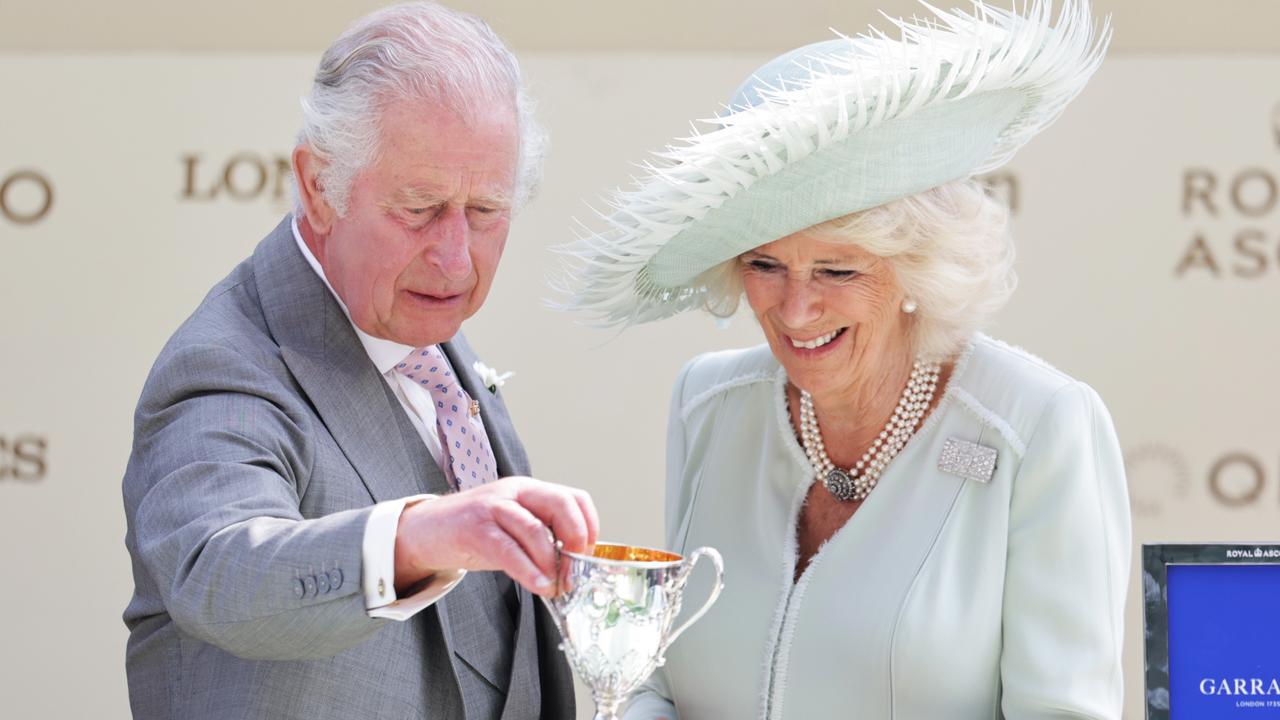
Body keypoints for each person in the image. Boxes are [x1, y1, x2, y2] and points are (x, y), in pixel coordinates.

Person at [560, 1, 1128, 718]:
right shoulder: (707, 407)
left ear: (917, 268)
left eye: (836, 272)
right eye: (766, 265)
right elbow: (662, 685)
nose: (796, 311)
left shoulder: (1037, 428)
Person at [121, 4, 597, 719]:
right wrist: (420, 537)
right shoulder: (225, 366)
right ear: (319, 186)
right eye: (418, 208)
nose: (456, 256)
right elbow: (215, 570)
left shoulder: (421, 328)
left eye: (486, 211)